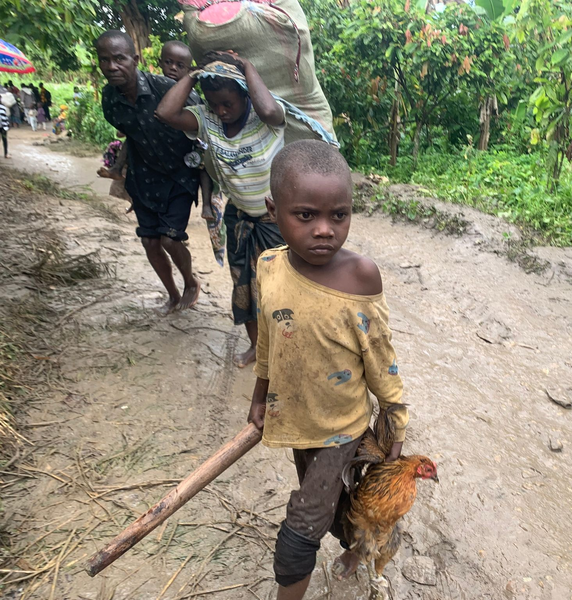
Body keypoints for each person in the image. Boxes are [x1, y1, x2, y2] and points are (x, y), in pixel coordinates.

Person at [246, 140, 409, 600]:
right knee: (334, 501)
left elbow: (380, 356)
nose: (324, 230)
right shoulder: (269, 266)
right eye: (305, 216)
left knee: (300, 525)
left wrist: (395, 417)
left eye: (339, 215)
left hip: (342, 426)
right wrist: (260, 394)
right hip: (297, 420)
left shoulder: (360, 276)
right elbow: (268, 340)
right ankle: (355, 543)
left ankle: (320, 567)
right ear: (273, 210)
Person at [156, 51, 287, 367]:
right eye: (214, 104)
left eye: (228, 103)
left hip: (277, 221)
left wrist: (245, 65)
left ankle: (283, 353)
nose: (221, 110)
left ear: (245, 95)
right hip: (239, 217)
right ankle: (257, 347)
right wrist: (196, 73)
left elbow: (269, 107)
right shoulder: (207, 121)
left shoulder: (265, 118)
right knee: (244, 287)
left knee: (280, 292)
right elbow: (165, 112)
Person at [96, 30, 202, 315]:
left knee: (170, 238)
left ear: (135, 59)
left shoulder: (165, 88)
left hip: (180, 175)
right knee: (150, 242)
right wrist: (120, 171)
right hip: (143, 178)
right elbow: (130, 135)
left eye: (119, 58)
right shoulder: (110, 99)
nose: (111, 66)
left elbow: (205, 125)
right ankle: (172, 294)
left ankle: (191, 282)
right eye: (104, 60)